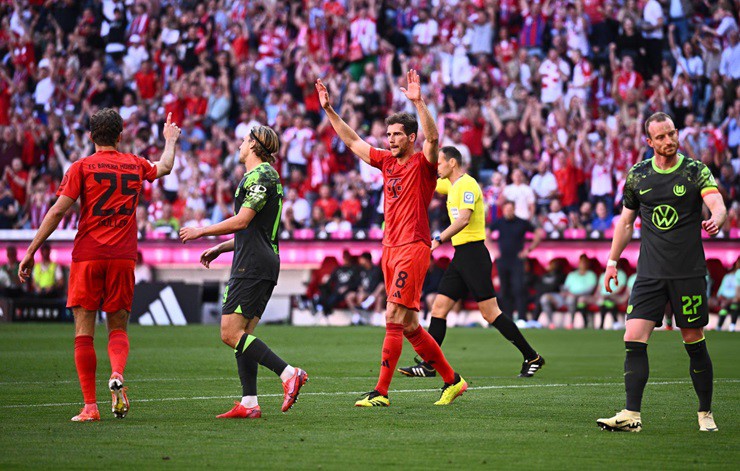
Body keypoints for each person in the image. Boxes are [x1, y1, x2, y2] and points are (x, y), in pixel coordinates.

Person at [18, 109, 182, 422]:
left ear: (92, 136)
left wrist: (31, 250)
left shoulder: (81, 167)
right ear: (120, 136)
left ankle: (90, 406)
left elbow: (56, 212)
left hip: (88, 255)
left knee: (84, 332)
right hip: (122, 256)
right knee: (117, 328)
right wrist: (170, 140)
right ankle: (117, 374)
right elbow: (165, 167)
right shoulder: (134, 163)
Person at [316, 70, 468, 407]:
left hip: (413, 247)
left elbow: (433, 138)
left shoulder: (423, 163)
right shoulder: (385, 162)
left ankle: (381, 392)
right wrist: (329, 111)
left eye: (397, 134)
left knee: (393, 317)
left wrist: (419, 102)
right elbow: (353, 142)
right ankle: (453, 381)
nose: (390, 139)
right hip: (389, 248)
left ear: (410, 137)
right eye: (388, 134)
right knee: (411, 325)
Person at [597, 112, 726, 433]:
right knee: (633, 336)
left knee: (693, 339)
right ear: (649, 141)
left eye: (672, 134)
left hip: (688, 272)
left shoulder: (695, 171)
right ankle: (631, 414)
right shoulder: (638, 175)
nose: (669, 141)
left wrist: (718, 218)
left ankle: (705, 412)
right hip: (650, 274)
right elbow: (626, 223)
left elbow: (717, 202)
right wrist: (612, 262)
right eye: (662, 137)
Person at [179, 125, 308, 419]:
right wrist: (221, 248)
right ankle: (249, 402)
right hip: (259, 259)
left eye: (244, 139)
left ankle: (289, 373)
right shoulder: (261, 177)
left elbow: (243, 220)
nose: (239, 144)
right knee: (244, 335)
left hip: (252, 264)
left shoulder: (261, 175)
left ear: (253, 144)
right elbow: (253, 229)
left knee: (229, 333)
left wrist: (202, 231)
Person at [398, 147, 545, 379]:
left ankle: (531, 356)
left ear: (453, 163)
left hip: (474, 256)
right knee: (439, 308)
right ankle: (429, 365)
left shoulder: (468, 185)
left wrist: (439, 238)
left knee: (490, 313)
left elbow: (464, 219)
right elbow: (427, 181)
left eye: (440, 163)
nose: (437, 167)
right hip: (461, 256)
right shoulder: (452, 184)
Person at [490, 200, 545, 320]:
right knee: (504, 290)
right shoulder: (499, 222)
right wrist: (492, 249)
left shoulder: (522, 223)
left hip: (517, 261)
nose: (508, 212)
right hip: (502, 260)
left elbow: (538, 233)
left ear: (514, 209)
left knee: (519, 289)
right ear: (503, 210)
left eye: (511, 209)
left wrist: (528, 250)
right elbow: (486, 233)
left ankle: (521, 318)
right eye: (506, 209)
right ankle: (507, 318)